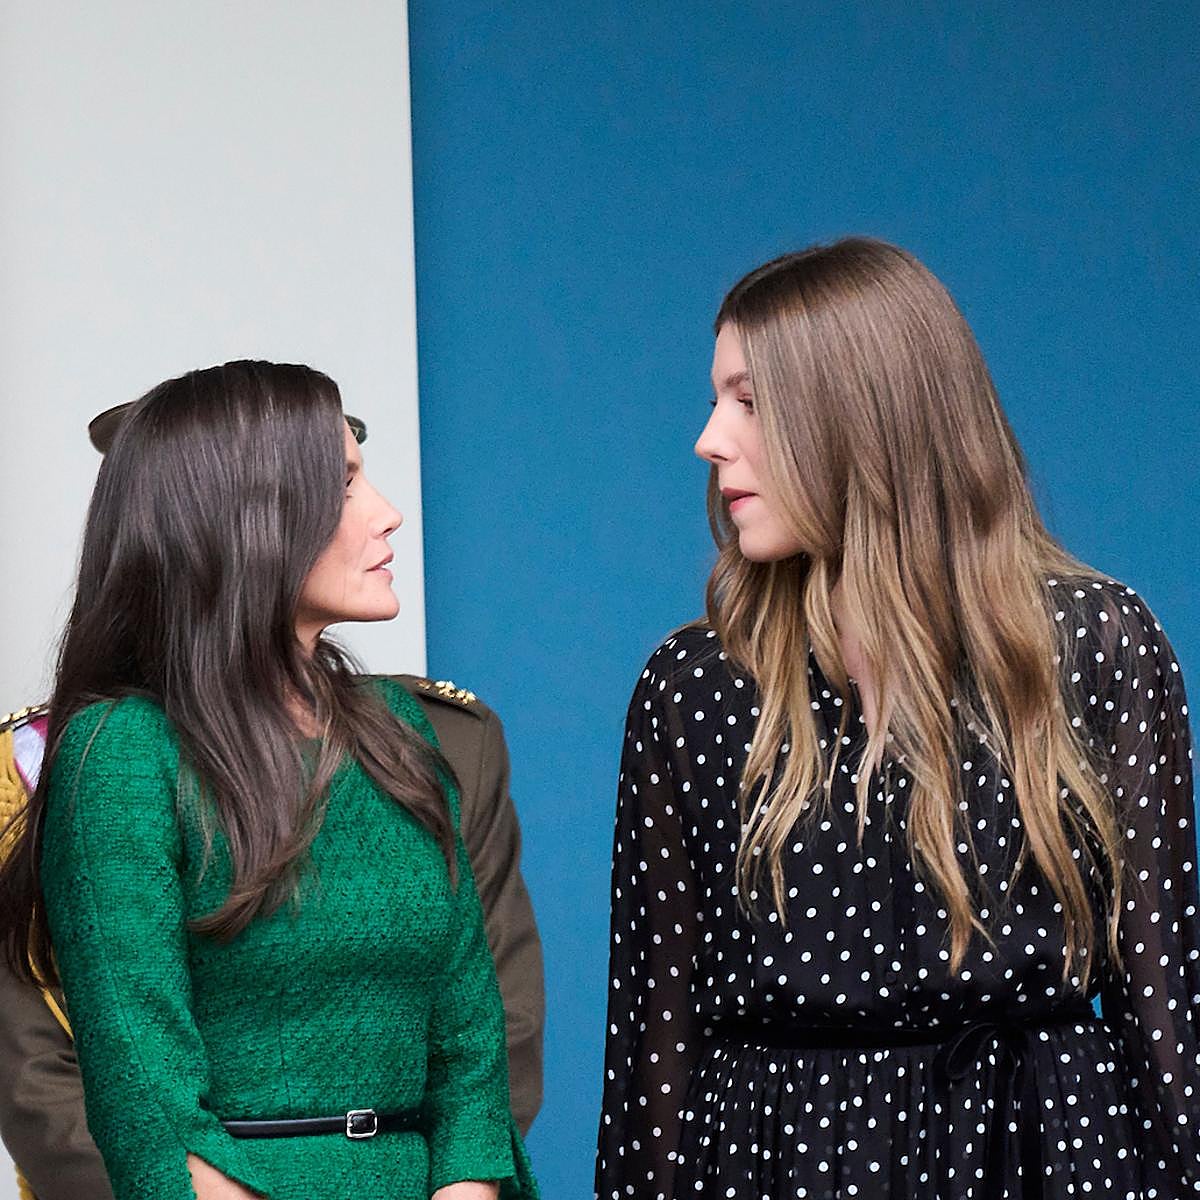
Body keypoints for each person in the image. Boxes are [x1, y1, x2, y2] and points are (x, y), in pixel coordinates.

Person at [595, 238, 1198, 1199]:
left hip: (1047, 1158)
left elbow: (1166, 1008)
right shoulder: (696, 685)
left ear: (861, 414)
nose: (709, 440)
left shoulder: (1095, 645)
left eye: (747, 401)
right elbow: (653, 1050)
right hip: (778, 1169)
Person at [0, 361, 538, 1200]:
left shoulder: (408, 735)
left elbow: (474, 1050)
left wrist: (463, 1188)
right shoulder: (122, 752)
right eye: (346, 483)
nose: (389, 514)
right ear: (246, 519)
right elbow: (147, 1103)